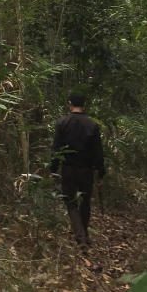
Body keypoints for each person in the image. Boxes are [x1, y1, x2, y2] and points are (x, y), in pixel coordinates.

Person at [50, 92, 106, 251]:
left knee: (70, 201)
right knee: (85, 201)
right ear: (84, 105)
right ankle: (84, 234)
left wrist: (53, 168)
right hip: (86, 170)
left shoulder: (62, 123)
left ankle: (81, 237)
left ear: (69, 104)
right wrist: (101, 173)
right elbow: (98, 152)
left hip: (68, 169)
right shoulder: (92, 125)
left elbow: (56, 149)